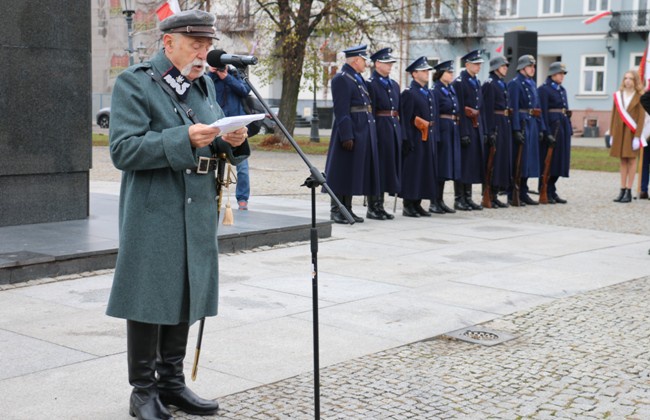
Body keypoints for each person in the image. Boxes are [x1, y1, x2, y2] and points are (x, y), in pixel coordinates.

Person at [106, 10, 250, 419]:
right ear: (168, 43)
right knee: (149, 296)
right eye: (195, 45)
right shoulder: (136, 82)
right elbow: (123, 150)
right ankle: (142, 391)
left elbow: (212, 138)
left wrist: (232, 140)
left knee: (186, 292)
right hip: (155, 206)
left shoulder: (202, 83)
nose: (203, 54)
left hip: (197, 203)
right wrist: (182, 137)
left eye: (206, 46)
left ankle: (171, 383)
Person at [325, 44, 380, 223]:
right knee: (341, 171)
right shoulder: (342, 78)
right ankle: (336, 209)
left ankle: (347, 208)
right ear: (356, 60)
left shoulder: (356, 78)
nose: (366, 63)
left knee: (351, 171)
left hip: (361, 128)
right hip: (350, 129)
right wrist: (346, 134)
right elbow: (341, 110)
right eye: (364, 60)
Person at [208, 64, 252, 210]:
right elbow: (203, 93)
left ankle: (243, 198)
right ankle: (211, 197)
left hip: (236, 126)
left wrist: (226, 77)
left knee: (242, 166)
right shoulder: (209, 78)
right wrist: (212, 74)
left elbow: (244, 90)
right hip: (216, 124)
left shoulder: (234, 75)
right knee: (210, 164)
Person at [399, 56, 438, 217]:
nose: (427, 73)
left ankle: (418, 202)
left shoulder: (428, 92)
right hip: (414, 137)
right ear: (414, 74)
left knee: (424, 170)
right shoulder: (409, 93)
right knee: (413, 171)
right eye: (423, 71)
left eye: (428, 70)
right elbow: (406, 118)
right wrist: (406, 139)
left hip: (426, 136)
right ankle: (408, 204)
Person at [366, 47, 402, 220]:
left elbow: (398, 109)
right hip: (380, 126)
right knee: (378, 167)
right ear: (377, 63)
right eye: (387, 63)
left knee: (388, 167)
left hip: (392, 126)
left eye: (391, 63)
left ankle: (381, 205)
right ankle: (373, 206)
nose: (390, 66)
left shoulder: (394, 84)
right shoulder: (371, 84)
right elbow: (371, 111)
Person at [507, 54, 547, 206]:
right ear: (523, 67)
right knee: (519, 160)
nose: (533, 69)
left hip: (532, 124)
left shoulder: (531, 83)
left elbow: (537, 108)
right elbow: (514, 108)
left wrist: (541, 127)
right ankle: (513, 192)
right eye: (530, 66)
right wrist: (516, 129)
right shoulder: (515, 84)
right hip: (522, 123)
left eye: (534, 66)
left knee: (529, 160)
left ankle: (523, 191)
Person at [452, 49, 485, 211]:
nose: (479, 67)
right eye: (476, 64)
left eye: (480, 64)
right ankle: (459, 198)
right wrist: (463, 132)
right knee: (464, 163)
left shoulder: (476, 82)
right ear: (467, 65)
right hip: (465, 125)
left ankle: (468, 197)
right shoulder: (460, 82)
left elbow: (480, 107)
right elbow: (459, 109)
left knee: (472, 162)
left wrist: (482, 130)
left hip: (475, 125)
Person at [609, 70, 646, 203]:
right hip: (620, 132)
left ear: (635, 81)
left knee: (631, 160)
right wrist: (612, 133)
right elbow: (613, 115)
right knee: (622, 160)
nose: (628, 81)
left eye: (631, 78)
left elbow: (641, 118)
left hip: (632, 133)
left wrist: (638, 136)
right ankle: (622, 189)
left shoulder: (640, 96)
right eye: (626, 78)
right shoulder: (618, 95)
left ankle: (629, 191)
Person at [538, 62, 572, 204]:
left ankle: (552, 189)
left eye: (563, 74)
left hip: (562, 125)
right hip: (552, 127)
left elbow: (566, 109)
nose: (562, 76)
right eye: (559, 73)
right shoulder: (544, 90)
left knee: (560, 160)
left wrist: (569, 127)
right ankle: (545, 189)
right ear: (552, 74)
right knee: (549, 161)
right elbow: (543, 112)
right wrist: (545, 131)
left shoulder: (561, 90)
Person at [481, 55, 512, 208]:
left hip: (503, 122)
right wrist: (489, 130)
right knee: (492, 160)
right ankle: (487, 193)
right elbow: (487, 109)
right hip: (495, 123)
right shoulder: (490, 84)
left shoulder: (501, 83)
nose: (506, 68)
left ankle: (494, 193)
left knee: (501, 159)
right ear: (496, 68)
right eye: (503, 65)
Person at [431, 60, 460, 214]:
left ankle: (440, 199)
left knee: (446, 166)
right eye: (448, 72)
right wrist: (436, 134)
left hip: (451, 127)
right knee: (440, 165)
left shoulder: (450, 89)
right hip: (442, 128)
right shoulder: (436, 90)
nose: (451, 74)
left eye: (452, 72)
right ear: (441, 74)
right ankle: (433, 201)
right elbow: (434, 113)